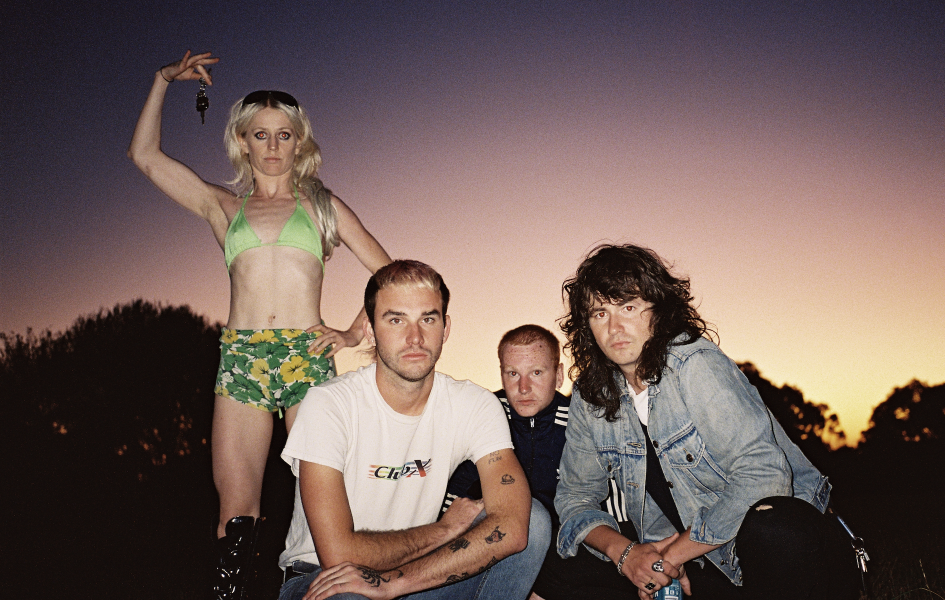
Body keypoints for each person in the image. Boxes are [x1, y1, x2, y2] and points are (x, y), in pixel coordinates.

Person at [128, 51, 392, 598]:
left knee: (326, 499)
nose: (273, 146)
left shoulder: (323, 207)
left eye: (284, 135)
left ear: (300, 143)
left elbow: (390, 276)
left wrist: (351, 333)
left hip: (306, 357)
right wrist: (162, 80)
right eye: (260, 135)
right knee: (236, 512)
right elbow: (145, 156)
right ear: (242, 142)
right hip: (241, 359)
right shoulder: (222, 207)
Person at [555, 244, 861, 599]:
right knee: (557, 560)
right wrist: (627, 555)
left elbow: (764, 476)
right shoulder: (591, 395)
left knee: (773, 525)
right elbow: (574, 498)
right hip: (696, 562)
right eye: (599, 313)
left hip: (788, 554)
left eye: (628, 307)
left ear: (659, 312)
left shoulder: (695, 365)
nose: (614, 327)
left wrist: (672, 556)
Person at [277, 260, 550, 600]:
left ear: (445, 329)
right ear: (370, 330)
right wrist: (443, 530)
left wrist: (395, 584)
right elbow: (338, 555)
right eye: (396, 320)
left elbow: (513, 525)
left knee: (534, 521)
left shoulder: (474, 405)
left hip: (415, 577)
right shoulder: (329, 404)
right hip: (322, 579)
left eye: (428, 319)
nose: (415, 337)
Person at [444, 325, 637, 600]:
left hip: (567, 552)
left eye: (536, 373)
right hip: (495, 544)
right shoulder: (486, 417)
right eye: (513, 374)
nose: (523, 388)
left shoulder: (580, 423)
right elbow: (453, 492)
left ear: (558, 375)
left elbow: (614, 509)